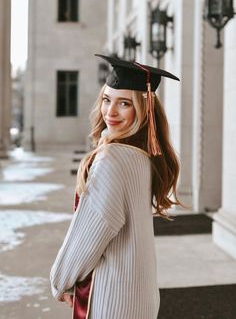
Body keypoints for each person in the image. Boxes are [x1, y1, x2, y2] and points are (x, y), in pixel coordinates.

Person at [50, 54, 181, 319]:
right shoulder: (141, 155)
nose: (110, 111)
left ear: (143, 109)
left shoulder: (113, 158)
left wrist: (61, 278)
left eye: (124, 103)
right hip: (139, 293)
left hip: (113, 297)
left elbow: (92, 229)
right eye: (107, 100)